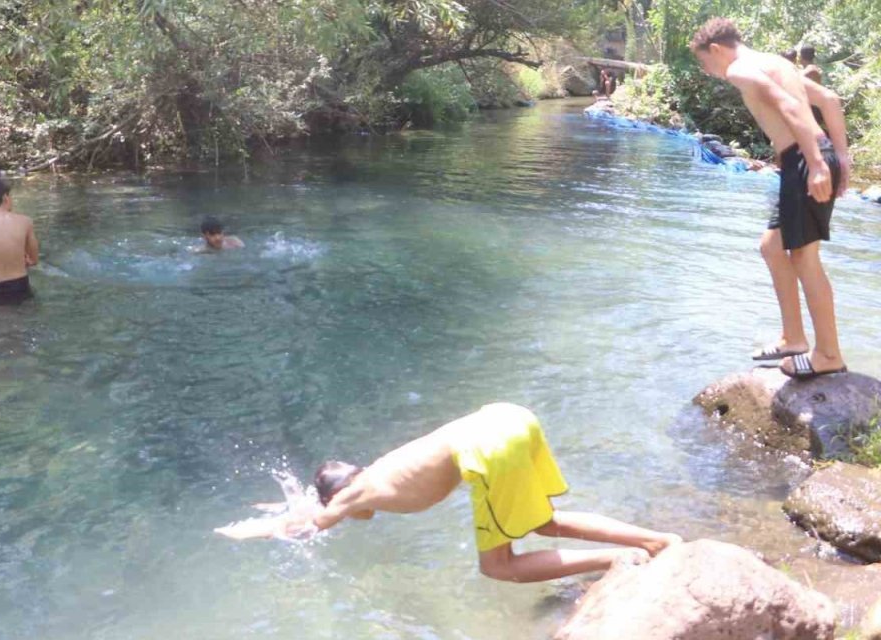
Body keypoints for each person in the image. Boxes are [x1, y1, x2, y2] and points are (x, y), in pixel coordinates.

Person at [218, 403, 681, 583]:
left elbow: (302, 524)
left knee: (497, 567)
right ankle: (657, 539)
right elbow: (310, 506)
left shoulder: (351, 498)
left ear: (335, 495)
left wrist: (249, 532)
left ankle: (621, 560)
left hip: (486, 447)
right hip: (508, 416)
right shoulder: (378, 471)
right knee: (545, 521)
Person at [691, 18, 850, 379]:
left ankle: (828, 355)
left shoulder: (740, 70)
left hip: (804, 160)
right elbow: (829, 100)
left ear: (716, 49)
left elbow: (791, 109)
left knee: (805, 258)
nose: (709, 71)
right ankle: (793, 338)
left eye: (705, 63)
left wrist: (815, 164)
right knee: (772, 246)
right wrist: (839, 158)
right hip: (811, 157)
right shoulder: (777, 64)